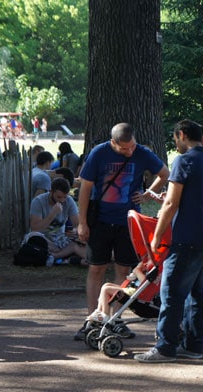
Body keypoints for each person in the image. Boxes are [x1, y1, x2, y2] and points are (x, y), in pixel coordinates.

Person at [134, 119, 203, 363]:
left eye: (175, 140)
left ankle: (165, 347)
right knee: (197, 293)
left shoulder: (184, 160)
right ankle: (193, 344)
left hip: (187, 237)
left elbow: (172, 203)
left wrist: (158, 236)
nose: (176, 145)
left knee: (171, 292)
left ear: (182, 135)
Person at [75, 123, 169, 341]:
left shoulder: (142, 153)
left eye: (132, 146)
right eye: (124, 149)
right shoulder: (99, 153)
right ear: (113, 143)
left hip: (128, 222)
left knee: (124, 269)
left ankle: (115, 319)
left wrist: (148, 194)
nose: (130, 151)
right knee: (96, 269)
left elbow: (164, 173)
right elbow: (85, 187)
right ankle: (93, 318)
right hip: (100, 220)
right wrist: (82, 222)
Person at [29, 177, 86, 262]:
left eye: (64, 197)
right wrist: (53, 214)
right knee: (33, 237)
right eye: (59, 197)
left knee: (83, 239)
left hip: (60, 238)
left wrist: (75, 230)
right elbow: (35, 228)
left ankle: (56, 255)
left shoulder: (69, 201)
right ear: (51, 191)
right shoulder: (38, 201)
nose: (62, 200)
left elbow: (78, 224)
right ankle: (67, 254)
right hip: (43, 238)